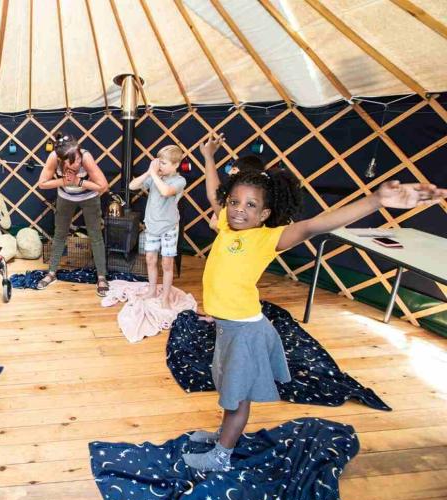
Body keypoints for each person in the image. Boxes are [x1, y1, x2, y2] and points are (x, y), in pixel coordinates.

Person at [183, 133, 447, 472]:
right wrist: (208, 156)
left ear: (265, 214)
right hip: (227, 327)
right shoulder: (226, 225)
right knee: (229, 387)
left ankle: (221, 456)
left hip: (246, 332)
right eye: (234, 202)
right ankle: (223, 435)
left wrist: (376, 201)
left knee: (238, 397)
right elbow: (212, 193)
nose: (238, 210)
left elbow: (313, 226)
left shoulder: (266, 238)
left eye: (250, 205)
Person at [36, 132, 110, 296]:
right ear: (62, 161)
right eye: (73, 161)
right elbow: (42, 183)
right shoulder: (54, 157)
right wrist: (64, 181)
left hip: (89, 197)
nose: (77, 162)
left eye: (77, 158)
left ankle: (102, 276)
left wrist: (79, 181)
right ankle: (51, 273)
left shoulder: (85, 157)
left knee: (95, 235)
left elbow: (103, 186)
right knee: (60, 234)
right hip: (65, 197)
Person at [128, 145, 186, 309]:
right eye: (159, 162)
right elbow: (132, 186)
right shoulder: (154, 177)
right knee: (150, 259)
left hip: (168, 227)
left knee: (167, 264)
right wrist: (149, 172)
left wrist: (154, 174)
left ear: (175, 164)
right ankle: (152, 290)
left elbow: (166, 191)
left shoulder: (179, 180)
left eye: (164, 163)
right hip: (151, 225)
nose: (160, 166)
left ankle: (165, 298)